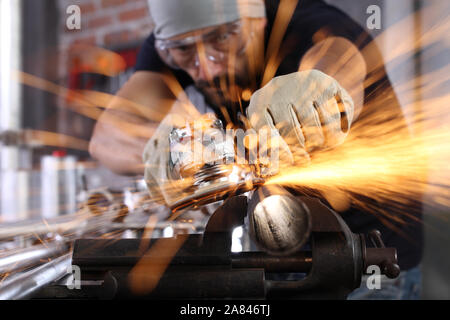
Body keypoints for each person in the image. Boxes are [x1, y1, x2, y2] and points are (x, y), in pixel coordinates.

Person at [89, 0, 423, 299]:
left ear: (257, 19)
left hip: (370, 255)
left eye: (221, 39)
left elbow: (339, 61)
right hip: (278, 252)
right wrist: (156, 147)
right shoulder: (181, 36)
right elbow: (105, 138)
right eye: (184, 51)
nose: (207, 67)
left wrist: (315, 90)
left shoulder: (310, 22)